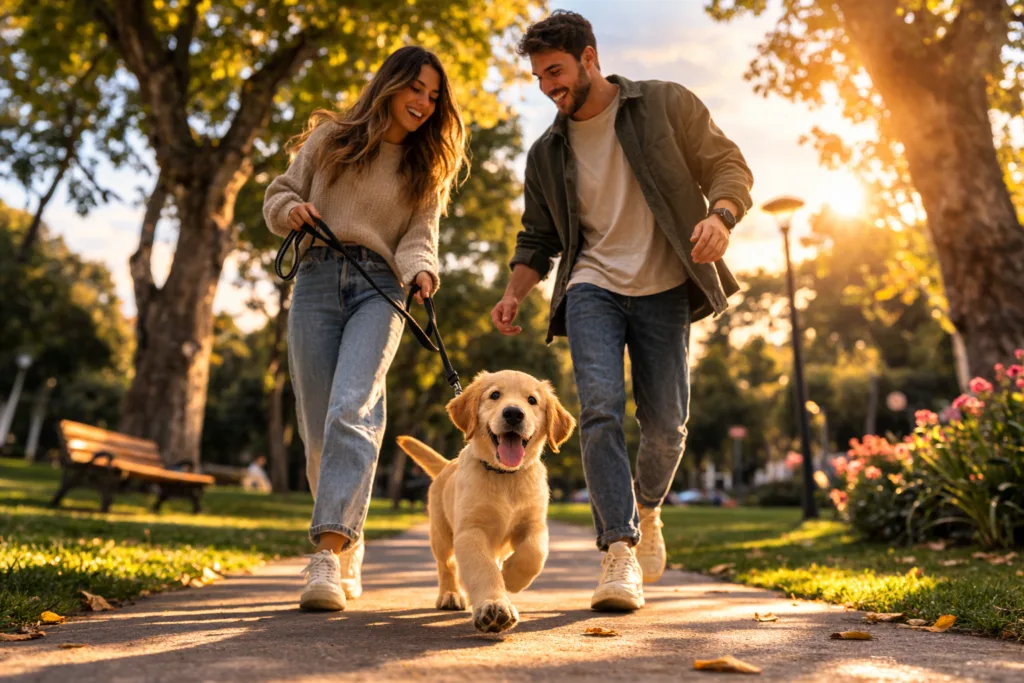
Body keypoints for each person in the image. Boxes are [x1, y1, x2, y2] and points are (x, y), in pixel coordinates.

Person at [491, 11, 753, 612]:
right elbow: (537, 239)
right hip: (592, 288)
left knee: (667, 426)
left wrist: (721, 215)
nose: (548, 87)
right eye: (537, 77)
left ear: (589, 57)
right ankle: (618, 552)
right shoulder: (546, 151)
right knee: (600, 411)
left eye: (555, 71)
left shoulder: (664, 104)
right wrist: (515, 292)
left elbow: (728, 164)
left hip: (664, 286)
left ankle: (650, 506)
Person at [263, 45, 467, 612]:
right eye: (416, 89)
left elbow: (420, 235)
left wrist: (422, 270)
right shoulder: (330, 140)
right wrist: (291, 213)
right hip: (316, 278)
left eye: (433, 96)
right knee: (318, 429)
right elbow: (279, 193)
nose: (424, 103)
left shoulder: (426, 166)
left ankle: (327, 554)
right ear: (390, 85)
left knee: (352, 407)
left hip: (383, 288)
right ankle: (349, 543)